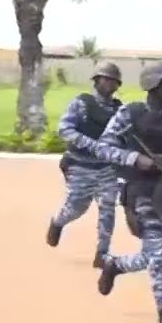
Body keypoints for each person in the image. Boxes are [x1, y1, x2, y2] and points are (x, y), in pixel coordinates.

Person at [93, 61, 162, 323]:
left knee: (151, 253)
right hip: (138, 189)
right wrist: (134, 158)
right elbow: (104, 147)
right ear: (154, 86)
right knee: (159, 255)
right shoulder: (130, 114)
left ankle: (116, 265)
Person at [46, 62, 124, 268]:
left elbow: (126, 135)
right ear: (96, 80)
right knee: (76, 208)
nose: (109, 84)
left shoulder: (119, 109)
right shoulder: (81, 103)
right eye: (105, 79)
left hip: (107, 169)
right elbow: (65, 130)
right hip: (81, 166)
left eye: (113, 81)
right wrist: (93, 145)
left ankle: (102, 253)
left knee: (108, 208)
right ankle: (57, 222)